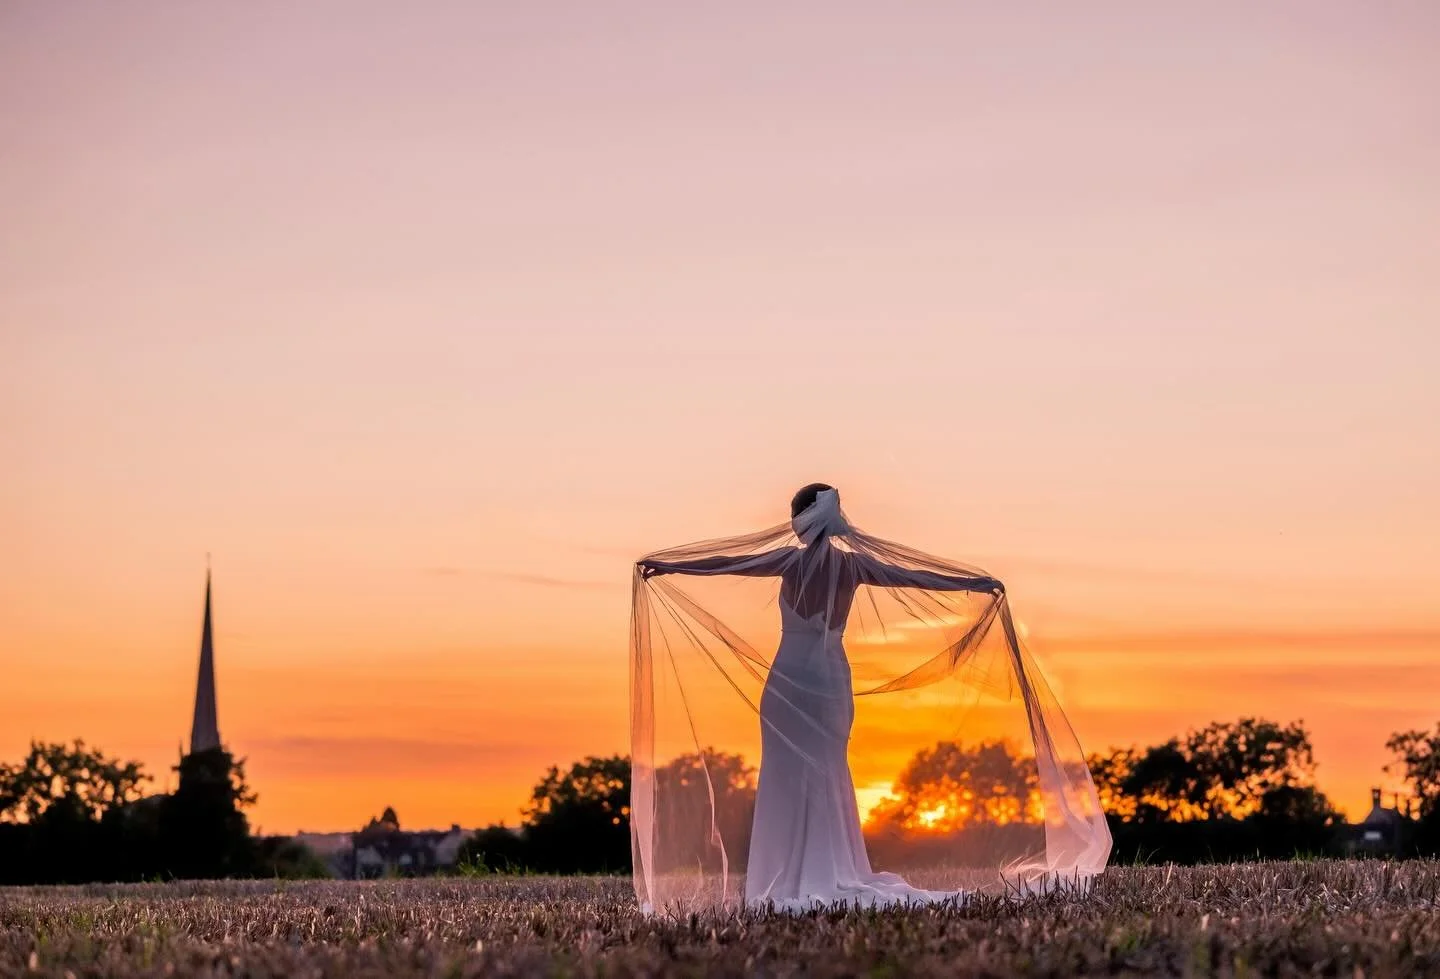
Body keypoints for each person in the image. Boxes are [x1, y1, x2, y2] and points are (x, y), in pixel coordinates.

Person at [637, 484, 1018, 909]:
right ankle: (832, 867)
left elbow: (729, 563)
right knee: (828, 769)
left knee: (788, 772)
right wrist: (973, 583)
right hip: (831, 678)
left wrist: (671, 565)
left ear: (799, 521)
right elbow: (916, 576)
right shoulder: (854, 567)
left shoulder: (787, 561)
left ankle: (791, 873)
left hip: (790, 675)